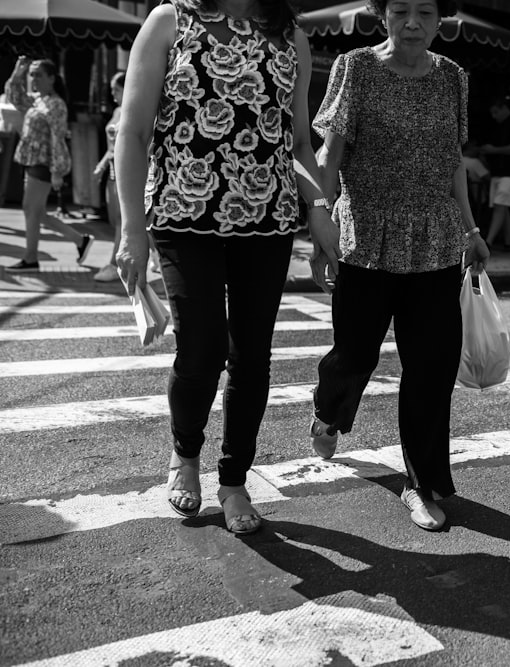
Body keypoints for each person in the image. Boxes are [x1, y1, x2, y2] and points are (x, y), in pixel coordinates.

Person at [114, 0, 339, 536]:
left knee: (252, 356)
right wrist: (130, 230)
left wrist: (321, 214)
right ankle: (185, 455)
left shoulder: (291, 36)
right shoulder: (171, 21)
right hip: (182, 215)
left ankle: (235, 478)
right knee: (202, 349)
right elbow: (133, 132)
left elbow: (300, 142)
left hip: (269, 221)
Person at [309, 0, 489, 532]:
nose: (413, 23)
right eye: (401, 11)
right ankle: (328, 412)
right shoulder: (356, 67)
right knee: (353, 356)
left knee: (432, 369)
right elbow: (329, 156)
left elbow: (451, 161)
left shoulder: (453, 78)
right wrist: (321, 234)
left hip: (434, 243)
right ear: (382, 15)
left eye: (425, 13)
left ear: (441, 20)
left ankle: (422, 483)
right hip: (366, 237)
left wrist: (470, 229)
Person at [3, 56, 92, 272]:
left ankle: (31, 258)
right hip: (32, 160)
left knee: (30, 209)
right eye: (32, 75)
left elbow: (57, 137)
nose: (34, 79)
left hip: (43, 163)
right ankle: (80, 241)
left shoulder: (56, 104)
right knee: (37, 211)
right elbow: (13, 95)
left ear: (52, 78)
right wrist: (18, 71)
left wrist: (57, 172)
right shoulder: (38, 100)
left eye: (39, 75)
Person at [92, 72, 125, 282]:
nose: (112, 93)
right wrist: (102, 165)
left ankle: (115, 264)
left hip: (125, 171)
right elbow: (111, 146)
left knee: (123, 220)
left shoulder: (134, 108)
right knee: (115, 219)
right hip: (112, 170)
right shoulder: (117, 110)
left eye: (116, 89)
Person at [481, 96, 510, 253]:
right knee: (502, 205)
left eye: (496, 112)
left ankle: (489, 241)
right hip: (499, 171)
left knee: (500, 204)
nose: (494, 116)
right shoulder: (499, 126)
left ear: (504, 108)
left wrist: (494, 150)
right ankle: (509, 242)